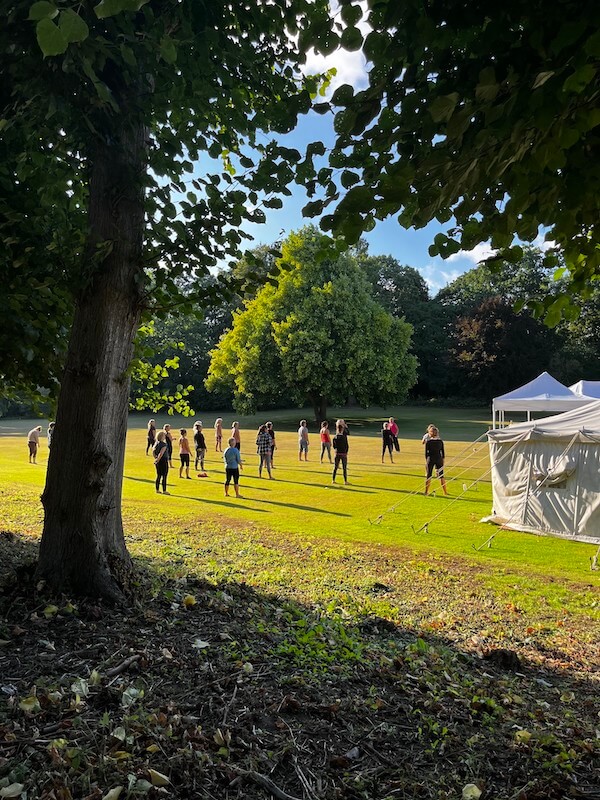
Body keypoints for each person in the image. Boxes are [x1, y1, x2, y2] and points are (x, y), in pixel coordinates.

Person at [424, 425, 448, 496]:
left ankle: (426, 491)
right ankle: (445, 492)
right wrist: (443, 460)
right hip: (439, 458)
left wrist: (427, 460)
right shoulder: (440, 442)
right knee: (442, 476)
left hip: (430, 459)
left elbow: (426, 453)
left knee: (429, 475)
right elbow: (443, 452)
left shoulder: (428, 442)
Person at [332, 420, 349, 485]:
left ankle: (333, 480)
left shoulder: (335, 437)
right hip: (343, 453)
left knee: (335, 467)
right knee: (344, 468)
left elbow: (334, 446)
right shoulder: (344, 437)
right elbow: (346, 445)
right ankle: (345, 481)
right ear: (342, 429)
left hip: (337, 453)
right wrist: (346, 451)